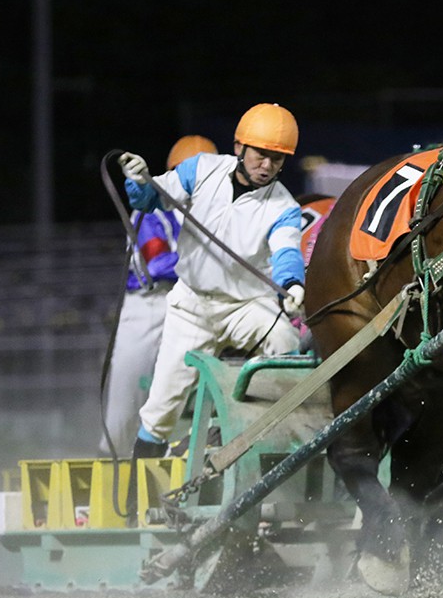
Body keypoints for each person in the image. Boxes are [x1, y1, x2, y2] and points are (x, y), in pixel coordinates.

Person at [118, 103, 306, 461]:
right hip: (192, 306)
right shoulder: (201, 169)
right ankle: (137, 496)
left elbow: (286, 251)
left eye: (278, 159)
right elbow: (150, 199)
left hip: (245, 306)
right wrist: (138, 179)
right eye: (261, 154)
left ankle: (258, 437)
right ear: (239, 148)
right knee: (160, 410)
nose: (267, 166)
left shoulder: (285, 207)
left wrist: (292, 283)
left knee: (285, 340)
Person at [99, 135, 219, 457]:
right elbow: (158, 262)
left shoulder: (220, 212)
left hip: (199, 299)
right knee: (127, 393)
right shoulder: (154, 209)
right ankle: (113, 457)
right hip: (151, 304)